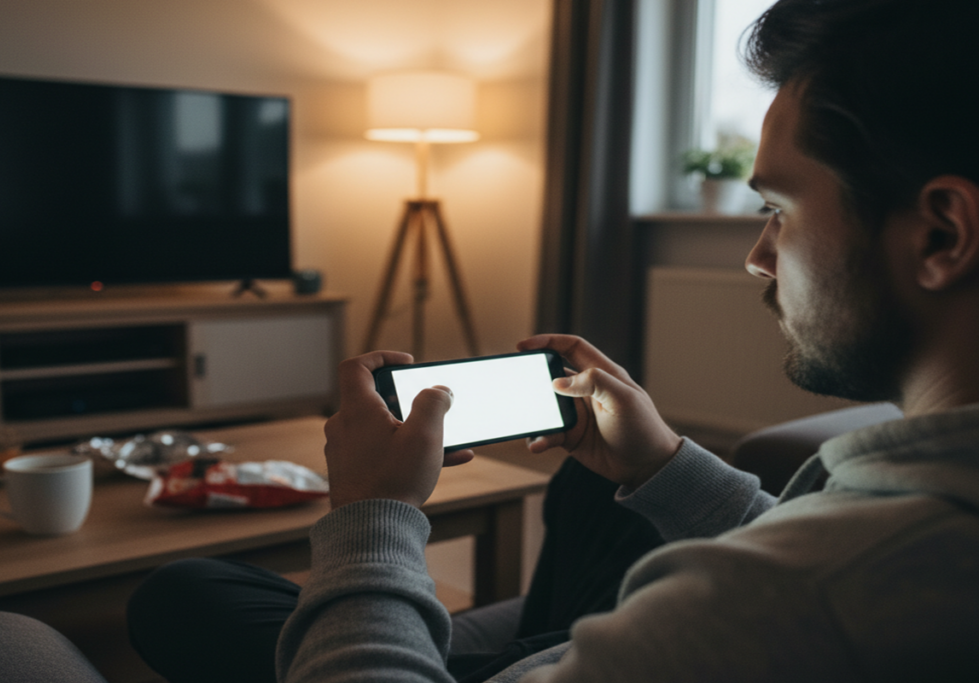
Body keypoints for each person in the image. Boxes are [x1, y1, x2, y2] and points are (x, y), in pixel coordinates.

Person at [268, 0, 979, 680]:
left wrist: (373, 514)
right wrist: (662, 463)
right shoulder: (891, 540)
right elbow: (804, 541)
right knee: (589, 483)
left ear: (941, 235)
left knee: (209, 595)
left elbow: (800, 579)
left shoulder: (802, 595)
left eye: (779, 209)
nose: (758, 257)